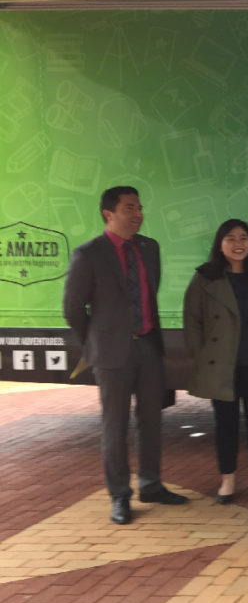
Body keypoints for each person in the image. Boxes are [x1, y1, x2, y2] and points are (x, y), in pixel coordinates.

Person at [62, 186, 188, 525]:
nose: (138, 214)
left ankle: (151, 484)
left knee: (151, 420)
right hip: (111, 353)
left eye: (140, 207)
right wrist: (96, 341)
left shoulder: (149, 248)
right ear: (109, 214)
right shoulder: (88, 255)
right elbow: (72, 308)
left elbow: (149, 294)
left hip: (148, 346)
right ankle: (119, 495)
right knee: (114, 427)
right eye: (129, 208)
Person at [182, 219, 248, 504]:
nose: (238, 243)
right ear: (220, 244)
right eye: (230, 238)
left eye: (244, 238)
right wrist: (199, 354)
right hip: (222, 365)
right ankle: (227, 479)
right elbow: (192, 321)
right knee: (225, 423)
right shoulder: (206, 278)